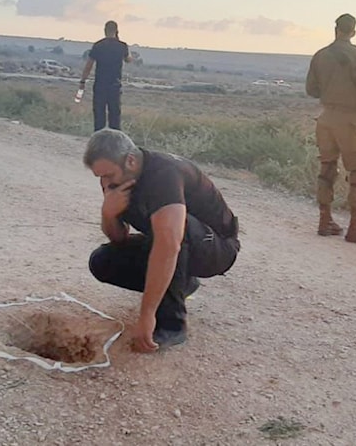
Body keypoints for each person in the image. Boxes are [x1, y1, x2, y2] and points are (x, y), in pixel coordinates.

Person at [84, 129, 240, 352]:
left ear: (130, 160)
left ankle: (172, 325)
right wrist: (108, 213)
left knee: (172, 232)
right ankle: (182, 284)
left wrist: (146, 315)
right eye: (99, 176)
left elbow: (169, 245)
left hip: (217, 249)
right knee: (102, 261)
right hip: (177, 242)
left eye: (108, 175)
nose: (105, 183)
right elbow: (119, 238)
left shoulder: (163, 174)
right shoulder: (117, 182)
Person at [305, 13, 356, 245]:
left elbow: (311, 89)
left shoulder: (320, 55)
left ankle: (325, 220)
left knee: (327, 169)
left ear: (335, 29)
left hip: (326, 117)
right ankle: (355, 227)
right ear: (354, 31)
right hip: (350, 119)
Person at [79, 21, 133, 131]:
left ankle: (98, 141)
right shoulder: (122, 46)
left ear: (104, 30)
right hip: (115, 84)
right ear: (116, 31)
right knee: (114, 116)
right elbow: (129, 60)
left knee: (99, 115)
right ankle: (114, 143)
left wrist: (83, 81)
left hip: (100, 84)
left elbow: (88, 66)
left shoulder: (98, 45)